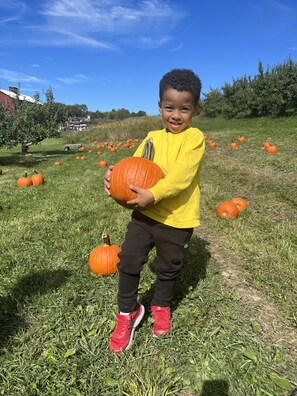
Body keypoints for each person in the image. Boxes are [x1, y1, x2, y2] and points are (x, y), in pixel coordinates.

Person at [104, 68, 205, 354]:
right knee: (129, 260)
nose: (176, 115)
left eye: (184, 109)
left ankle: (161, 305)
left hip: (177, 219)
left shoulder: (193, 138)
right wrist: (113, 178)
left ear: (195, 109)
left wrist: (154, 193)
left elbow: (182, 176)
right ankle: (127, 313)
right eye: (170, 107)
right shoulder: (150, 138)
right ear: (159, 106)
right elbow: (131, 171)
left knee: (167, 267)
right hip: (145, 216)